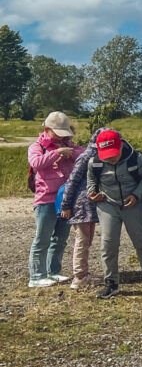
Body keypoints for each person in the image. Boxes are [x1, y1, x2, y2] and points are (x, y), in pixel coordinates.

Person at [87, 129, 142, 299]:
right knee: (108, 245)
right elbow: (91, 181)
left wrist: (137, 194)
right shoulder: (94, 162)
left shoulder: (137, 159)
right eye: (106, 155)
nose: (110, 158)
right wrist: (92, 193)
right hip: (107, 205)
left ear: (121, 144)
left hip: (134, 205)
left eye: (113, 154)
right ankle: (111, 284)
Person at [28, 112, 84, 287]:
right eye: (57, 132)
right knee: (42, 239)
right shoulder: (37, 147)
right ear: (47, 129)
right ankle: (36, 276)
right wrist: (56, 153)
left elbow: (84, 156)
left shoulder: (69, 145)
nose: (60, 136)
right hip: (45, 199)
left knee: (60, 238)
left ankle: (54, 271)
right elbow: (36, 163)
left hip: (66, 200)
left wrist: (70, 153)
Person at [60, 128, 104, 290]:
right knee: (82, 240)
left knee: (88, 239)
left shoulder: (97, 155)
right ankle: (79, 277)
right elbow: (72, 181)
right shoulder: (86, 157)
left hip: (89, 205)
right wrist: (66, 205)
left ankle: (83, 273)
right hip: (80, 204)